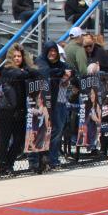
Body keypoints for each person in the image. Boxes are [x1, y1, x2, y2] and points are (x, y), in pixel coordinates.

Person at [0, 44, 36, 174]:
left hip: (21, 109)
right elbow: (18, 74)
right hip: (7, 110)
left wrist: (27, 69)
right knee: (5, 138)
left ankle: (10, 163)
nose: (17, 58)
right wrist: (26, 72)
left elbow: (36, 72)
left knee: (19, 139)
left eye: (19, 56)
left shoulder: (25, 69)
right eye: (14, 56)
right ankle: (2, 165)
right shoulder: (5, 69)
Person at [36, 41, 72, 169]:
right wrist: (60, 72)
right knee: (40, 130)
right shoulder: (40, 60)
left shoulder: (60, 64)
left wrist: (67, 73)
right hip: (42, 102)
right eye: (50, 51)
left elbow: (69, 69)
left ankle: (52, 159)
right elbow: (45, 72)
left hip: (57, 100)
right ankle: (37, 160)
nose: (52, 53)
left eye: (54, 51)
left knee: (57, 129)